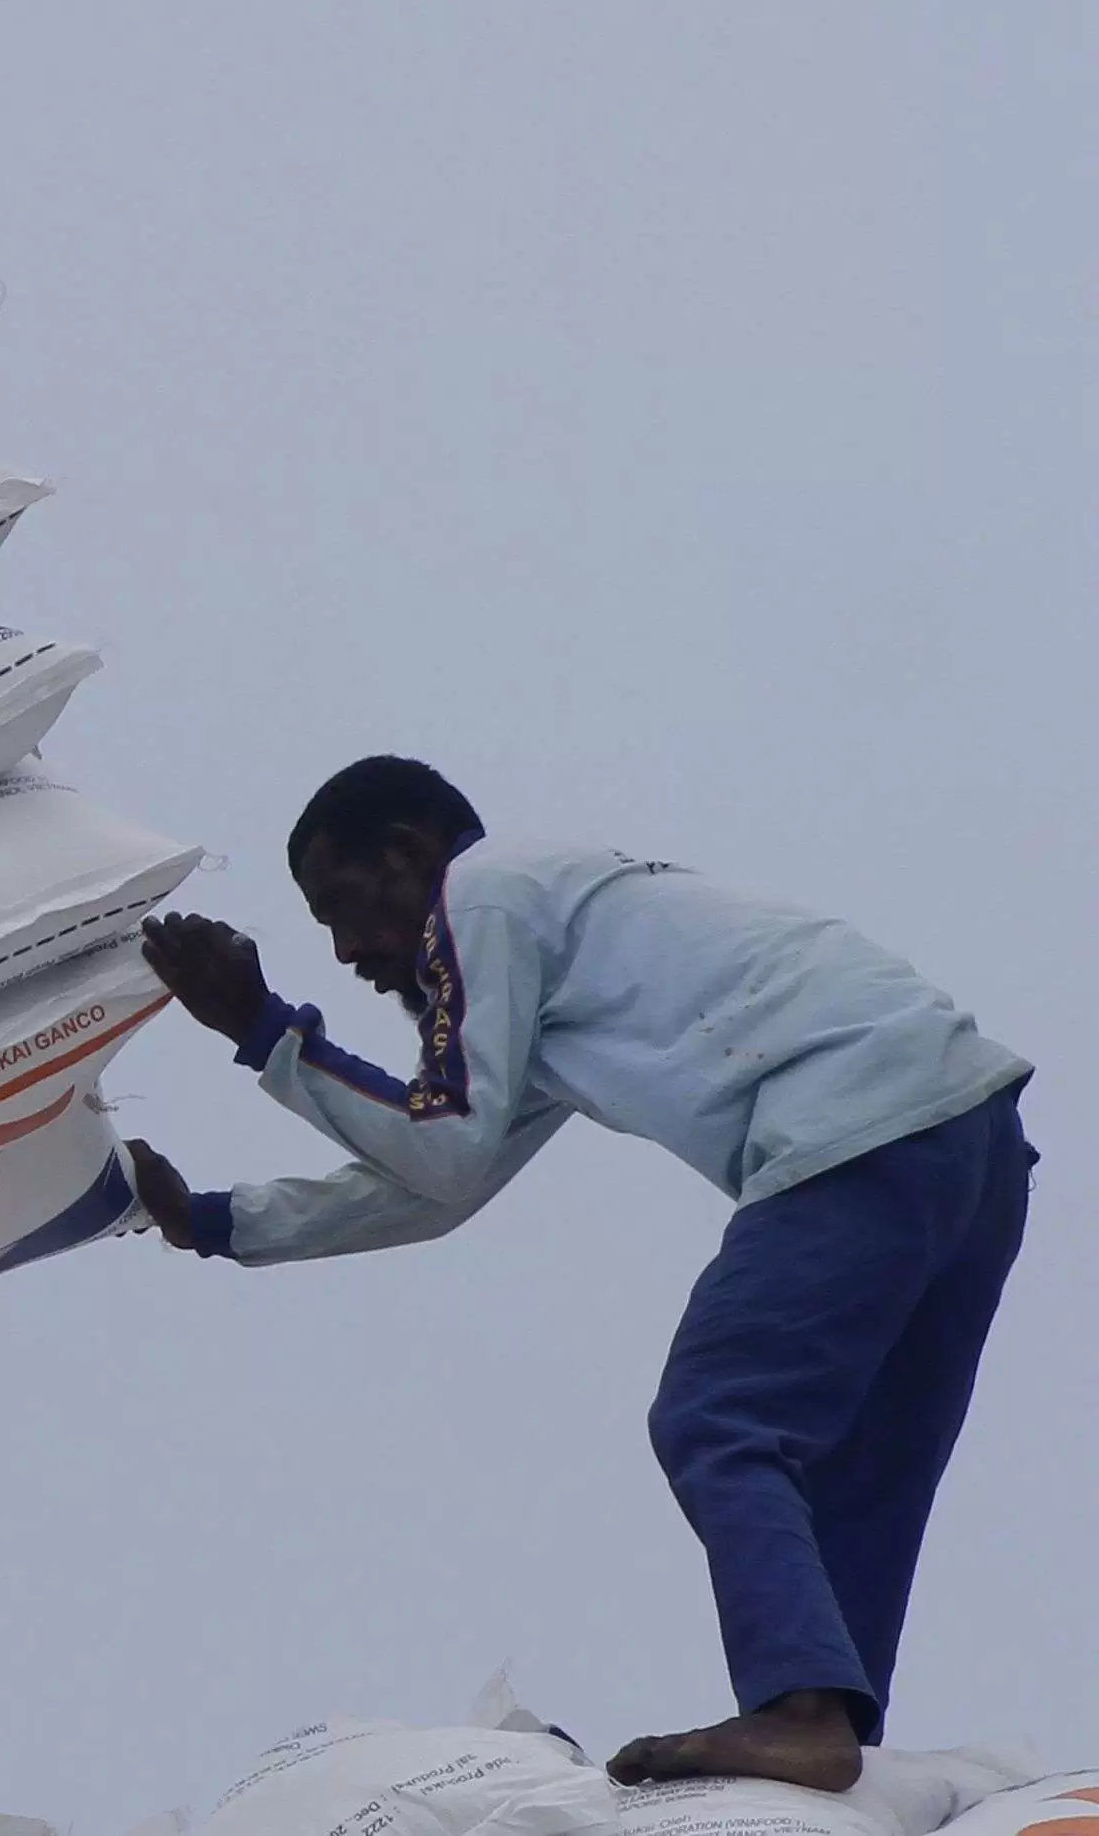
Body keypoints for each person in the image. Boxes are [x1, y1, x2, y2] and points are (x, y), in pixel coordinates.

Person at [122, 756, 1032, 1795]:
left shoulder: (482, 893)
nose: (345, 952)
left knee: (717, 1417)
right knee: (857, 1476)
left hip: (861, 1122)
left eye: (342, 906)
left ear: (409, 854)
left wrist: (262, 1028)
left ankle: (801, 1715)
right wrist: (218, 1221)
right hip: (969, 1141)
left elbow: (442, 1143)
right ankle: (829, 1745)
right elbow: (444, 1183)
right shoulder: (555, 937)